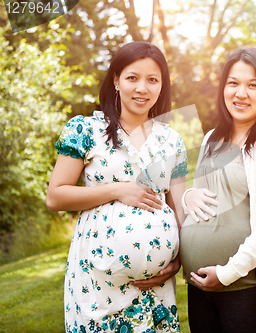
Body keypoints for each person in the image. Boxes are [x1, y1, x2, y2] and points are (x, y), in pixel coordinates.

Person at [46, 41, 187, 333]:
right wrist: (117, 190)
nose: (142, 88)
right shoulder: (85, 130)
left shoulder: (172, 140)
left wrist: (179, 260)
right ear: (116, 80)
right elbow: (56, 196)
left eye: (152, 80)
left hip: (157, 289)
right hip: (97, 281)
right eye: (132, 78)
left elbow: (179, 209)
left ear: (162, 86)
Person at [179, 47, 256, 333]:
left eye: (252, 85)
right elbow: (200, 200)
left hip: (245, 290)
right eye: (233, 83)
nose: (240, 93)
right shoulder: (211, 138)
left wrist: (227, 273)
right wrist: (186, 196)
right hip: (201, 287)